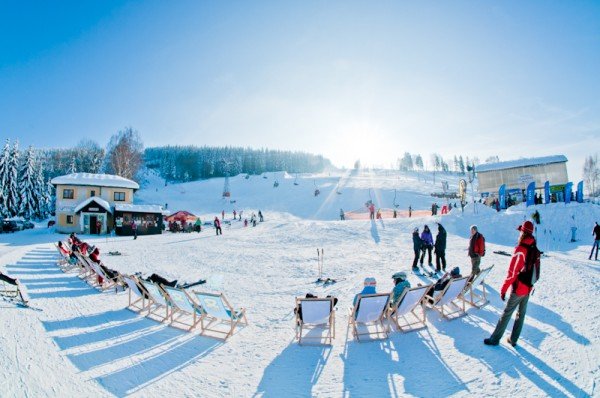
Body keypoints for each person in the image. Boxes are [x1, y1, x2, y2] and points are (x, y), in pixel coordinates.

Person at [484, 221, 537, 347]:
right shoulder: (533, 246)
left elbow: (512, 273)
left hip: (519, 288)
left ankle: (495, 339)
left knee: (507, 313)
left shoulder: (520, 249)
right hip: (529, 287)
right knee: (521, 314)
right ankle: (513, 339)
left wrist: (503, 289)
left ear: (523, 233)